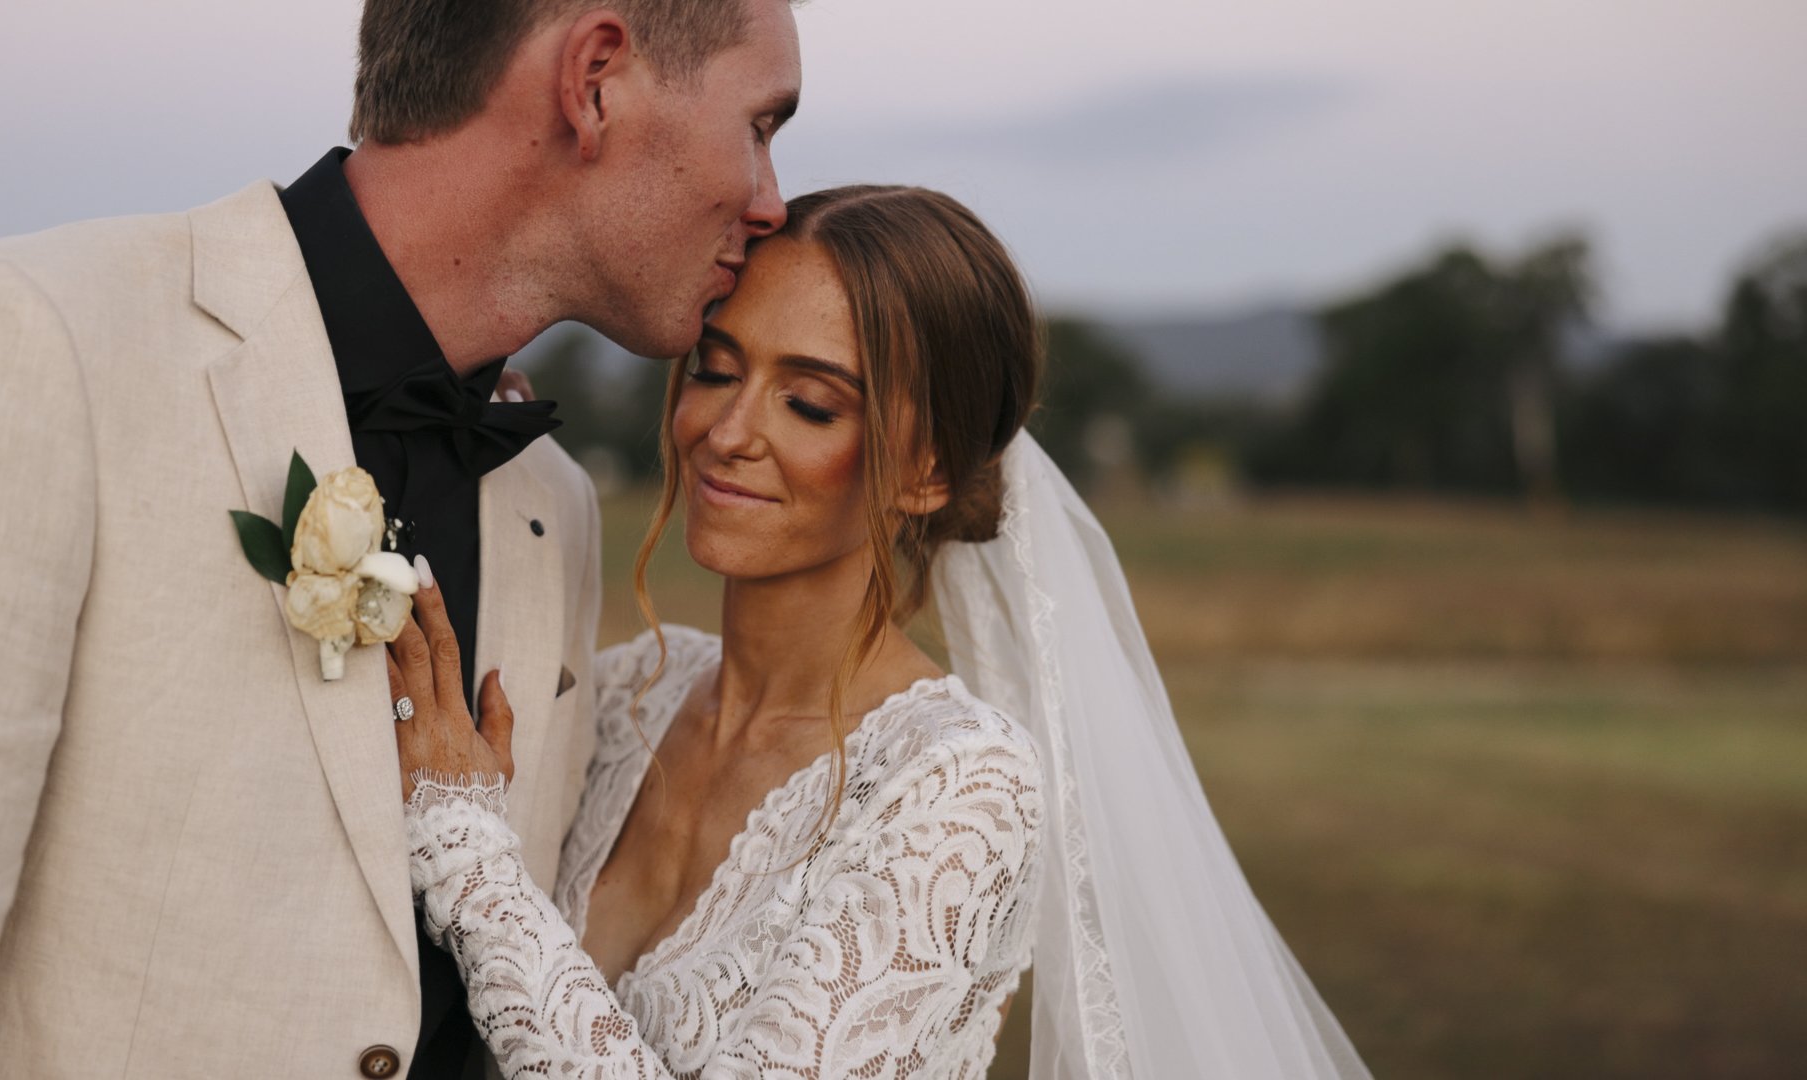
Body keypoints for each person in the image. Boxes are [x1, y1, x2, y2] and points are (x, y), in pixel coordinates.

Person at [0, 1, 799, 1076]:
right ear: (594, 79)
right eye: (761, 126)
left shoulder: (553, 500)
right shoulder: (36, 345)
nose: (771, 202)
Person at [385, 186, 1374, 1077]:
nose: (729, 432)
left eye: (811, 403)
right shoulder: (625, 691)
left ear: (927, 474)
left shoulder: (960, 788)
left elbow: (475, 872)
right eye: (717, 372)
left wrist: (469, 855)